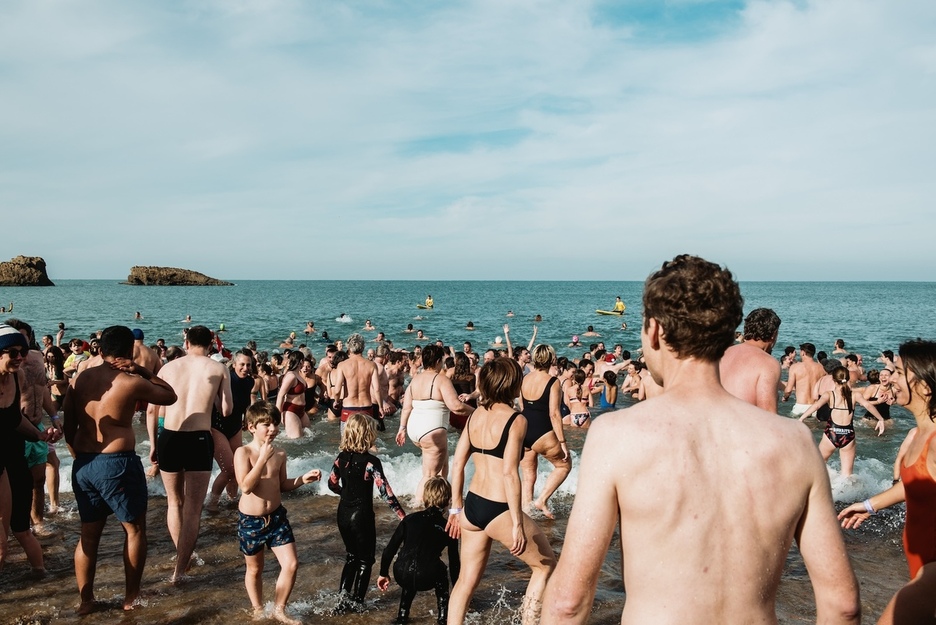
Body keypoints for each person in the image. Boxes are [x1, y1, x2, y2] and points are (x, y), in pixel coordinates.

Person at [541, 255, 859, 624]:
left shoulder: (615, 436)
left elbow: (568, 603)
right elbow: (843, 604)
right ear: (727, 333)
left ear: (654, 331)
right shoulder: (797, 442)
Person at [63, 325, 177, 614]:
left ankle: (86, 601)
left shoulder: (80, 379)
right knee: (134, 530)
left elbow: (68, 424)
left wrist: (77, 455)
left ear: (100, 350)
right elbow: (170, 395)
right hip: (117, 463)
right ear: (129, 351)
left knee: (88, 534)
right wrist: (141, 369)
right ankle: (130, 598)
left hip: (84, 464)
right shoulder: (130, 381)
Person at [446, 357, 556, 624]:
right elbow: (509, 473)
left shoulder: (474, 415)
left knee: (465, 582)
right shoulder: (516, 419)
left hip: (472, 506)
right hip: (499, 508)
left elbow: (457, 464)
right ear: (510, 384)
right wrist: (517, 523)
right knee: (545, 567)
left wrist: (456, 508)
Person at [838, 340, 936, 624]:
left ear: (925, 386)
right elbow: (915, 483)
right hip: (919, 566)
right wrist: (869, 505)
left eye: (899, 372)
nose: (890, 378)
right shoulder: (917, 434)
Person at [154, 325, 233, 583]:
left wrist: (153, 443)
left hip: (169, 436)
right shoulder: (219, 368)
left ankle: (183, 556)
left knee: (174, 502)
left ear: (186, 343)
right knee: (193, 509)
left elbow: (156, 407)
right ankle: (179, 571)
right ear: (211, 345)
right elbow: (227, 410)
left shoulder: (168, 367)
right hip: (198, 438)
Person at [234, 401, 321, 625]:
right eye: (266, 424)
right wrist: (262, 458)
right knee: (255, 569)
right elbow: (246, 486)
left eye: (275, 424)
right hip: (251, 521)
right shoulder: (243, 452)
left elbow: (281, 484)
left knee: (291, 564)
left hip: (276, 518)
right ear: (251, 427)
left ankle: (279, 609)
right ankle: (257, 609)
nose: (272, 429)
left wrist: (302, 479)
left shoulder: (280, 453)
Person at [328, 413, 406, 610]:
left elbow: (331, 484)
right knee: (365, 560)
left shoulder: (340, 458)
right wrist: (403, 517)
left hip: (343, 514)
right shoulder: (371, 462)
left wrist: (345, 493)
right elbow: (386, 493)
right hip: (361, 516)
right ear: (366, 435)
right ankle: (358, 603)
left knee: (351, 557)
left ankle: (341, 602)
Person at [0, 325, 60, 575]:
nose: (20, 358)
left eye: (23, 352)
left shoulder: (18, 377)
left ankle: (42, 579)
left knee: (20, 527)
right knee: (1, 542)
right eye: (13, 352)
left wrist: (40, 435)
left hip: (13, 457)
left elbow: (15, 419)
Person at [395, 345, 473, 506]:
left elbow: (407, 407)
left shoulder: (416, 379)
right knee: (429, 474)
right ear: (438, 361)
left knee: (443, 462)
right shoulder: (441, 380)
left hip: (415, 429)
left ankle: (443, 498)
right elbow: (456, 407)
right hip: (431, 430)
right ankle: (417, 506)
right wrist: (477, 412)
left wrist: (402, 428)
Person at [377, 476, 460, 625]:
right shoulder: (448, 527)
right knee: (441, 572)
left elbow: (389, 549)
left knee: (410, 562)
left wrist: (383, 573)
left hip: (401, 573)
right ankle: (443, 618)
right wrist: (457, 589)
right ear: (448, 501)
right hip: (427, 576)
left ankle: (402, 616)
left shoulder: (409, 519)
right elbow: (454, 562)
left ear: (425, 497)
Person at [798, 366, 885, 476]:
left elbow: (816, 406)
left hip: (831, 433)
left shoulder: (829, 394)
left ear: (833, 380)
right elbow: (867, 405)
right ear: (848, 379)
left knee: (818, 467)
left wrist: (801, 419)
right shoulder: (855, 395)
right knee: (847, 475)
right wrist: (881, 419)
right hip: (848, 435)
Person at [207, 350, 264, 512]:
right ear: (234, 364)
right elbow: (210, 395)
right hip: (217, 427)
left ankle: (232, 501)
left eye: (248, 365)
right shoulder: (226, 378)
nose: (245, 368)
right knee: (229, 469)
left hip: (235, 427)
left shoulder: (249, 382)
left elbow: (245, 404)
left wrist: (248, 420)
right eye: (242, 364)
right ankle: (212, 503)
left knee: (238, 468)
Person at [519, 344, 570, 518]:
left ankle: (526, 511)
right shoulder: (553, 381)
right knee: (564, 465)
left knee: (528, 475)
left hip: (524, 429)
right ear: (552, 359)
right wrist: (562, 442)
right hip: (542, 430)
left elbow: (522, 406)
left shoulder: (524, 378)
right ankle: (541, 500)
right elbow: (554, 414)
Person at [719, 307, 782, 412]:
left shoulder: (721, 354)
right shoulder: (768, 363)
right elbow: (767, 413)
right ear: (774, 334)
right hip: (741, 420)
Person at [333, 333, 385, 433]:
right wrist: (380, 407)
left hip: (349, 407)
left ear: (349, 348)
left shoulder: (342, 365)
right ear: (363, 347)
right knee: (366, 439)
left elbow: (337, 390)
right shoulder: (371, 365)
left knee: (347, 439)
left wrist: (336, 401)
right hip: (366, 407)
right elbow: (377, 389)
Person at [783, 342, 826, 415]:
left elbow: (788, 390)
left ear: (803, 353)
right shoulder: (822, 368)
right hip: (816, 407)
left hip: (800, 406)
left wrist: (785, 397)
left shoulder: (795, 367)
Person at [275, 351, 308, 439]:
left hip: (301, 410)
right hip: (291, 410)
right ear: (301, 361)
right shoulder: (291, 376)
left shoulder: (298, 374)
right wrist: (277, 414)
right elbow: (281, 395)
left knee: (310, 435)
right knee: (297, 440)